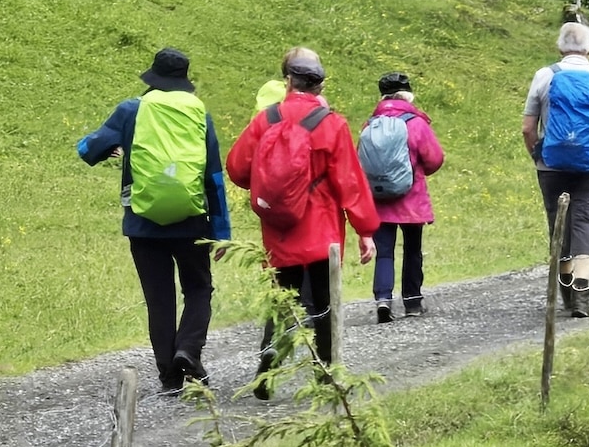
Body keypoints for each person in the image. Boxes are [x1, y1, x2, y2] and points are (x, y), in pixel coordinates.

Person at [226, 47, 379, 398]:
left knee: (282, 301)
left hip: (280, 229)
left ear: (288, 81)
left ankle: (267, 371)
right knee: (325, 304)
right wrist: (366, 231)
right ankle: (327, 376)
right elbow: (350, 183)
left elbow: (236, 168)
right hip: (322, 230)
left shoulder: (266, 119)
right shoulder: (332, 124)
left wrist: (273, 183)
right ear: (319, 87)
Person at [77, 48, 232, 395]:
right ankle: (188, 350)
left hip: (143, 224)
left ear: (154, 78)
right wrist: (222, 231)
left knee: (159, 299)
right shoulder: (199, 114)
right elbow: (214, 176)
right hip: (192, 222)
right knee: (198, 289)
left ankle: (169, 379)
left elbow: (87, 150)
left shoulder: (132, 110)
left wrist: (113, 148)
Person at [521, 22, 589, 317]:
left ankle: (564, 284)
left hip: (550, 164)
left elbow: (528, 128)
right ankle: (582, 292)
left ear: (559, 48)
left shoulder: (545, 76)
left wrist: (536, 156)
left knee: (559, 223)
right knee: (586, 221)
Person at [363, 72, 445, 322]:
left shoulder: (370, 124)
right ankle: (412, 302)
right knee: (412, 250)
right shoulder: (415, 123)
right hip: (411, 198)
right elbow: (434, 158)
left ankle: (383, 300)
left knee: (384, 251)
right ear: (407, 95)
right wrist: (417, 172)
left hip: (379, 198)